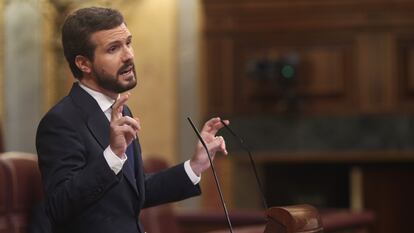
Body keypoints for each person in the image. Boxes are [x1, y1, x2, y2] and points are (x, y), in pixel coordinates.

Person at [35, 7, 228, 233]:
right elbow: (59, 206)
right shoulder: (61, 121)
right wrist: (112, 155)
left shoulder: (121, 110)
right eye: (114, 48)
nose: (128, 55)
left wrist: (195, 165)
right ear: (84, 64)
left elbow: (133, 191)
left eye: (128, 42)